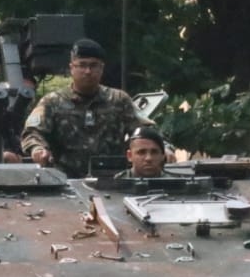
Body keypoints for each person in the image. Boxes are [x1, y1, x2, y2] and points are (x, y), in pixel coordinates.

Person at [20, 38, 152, 177]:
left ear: (101, 68)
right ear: (72, 68)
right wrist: (38, 149)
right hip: (65, 180)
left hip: (113, 179)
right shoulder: (52, 102)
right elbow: (32, 132)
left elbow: (146, 130)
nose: (88, 71)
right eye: (82, 65)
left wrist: (162, 148)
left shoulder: (119, 100)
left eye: (93, 65)